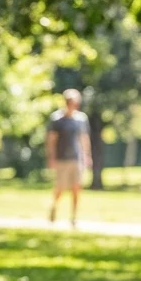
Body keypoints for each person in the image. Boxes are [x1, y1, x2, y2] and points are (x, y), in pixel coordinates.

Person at [46, 89, 92, 226]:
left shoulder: (81, 119)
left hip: (76, 158)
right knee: (60, 187)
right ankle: (54, 207)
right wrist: (51, 157)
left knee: (76, 188)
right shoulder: (57, 119)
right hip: (61, 158)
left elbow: (84, 138)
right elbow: (51, 140)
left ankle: (74, 216)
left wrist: (87, 155)